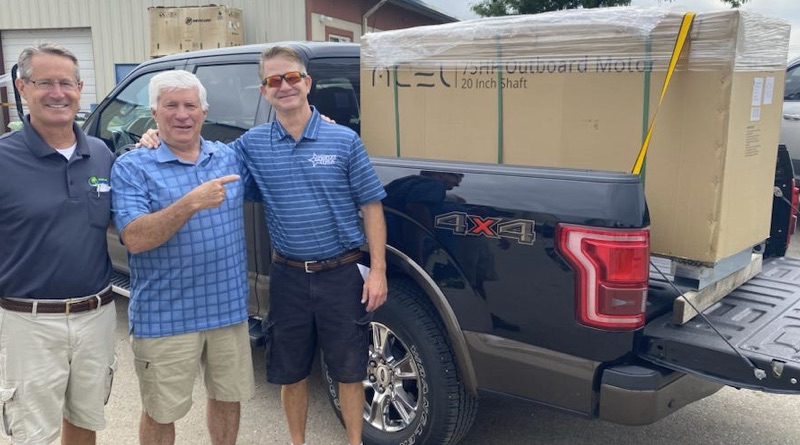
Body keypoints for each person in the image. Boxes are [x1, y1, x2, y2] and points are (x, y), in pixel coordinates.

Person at [140, 45, 388, 445]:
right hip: (287, 275)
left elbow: (372, 206)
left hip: (342, 272)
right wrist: (153, 134)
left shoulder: (343, 139)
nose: (285, 86)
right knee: (291, 373)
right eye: (275, 80)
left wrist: (377, 271)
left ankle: (354, 441)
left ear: (307, 83)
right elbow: (201, 154)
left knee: (349, 369)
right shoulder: (251, 146)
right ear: (264, 91)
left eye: (292, 77)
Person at [110, 70, 257, 445]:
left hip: (227, 311)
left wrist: (318, 121)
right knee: (161, 412)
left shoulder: (227, 157)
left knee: (228, 398)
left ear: (204, 112)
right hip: (165, 316)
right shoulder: (133, 167)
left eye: (190, 105)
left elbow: (280, 147)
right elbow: (136, 238)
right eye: (170, 106)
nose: (181, 114)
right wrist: (191, 202)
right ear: (154, 113)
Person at [0, 43, 117, 445]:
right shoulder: (3, 158)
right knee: (33, 435)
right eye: (45, 82)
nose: (57, 92)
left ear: (80, 88)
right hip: (28, 321)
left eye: (66, 83)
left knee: (85, 423)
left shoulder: (101, 153)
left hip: (96, 315)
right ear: (22, 87)